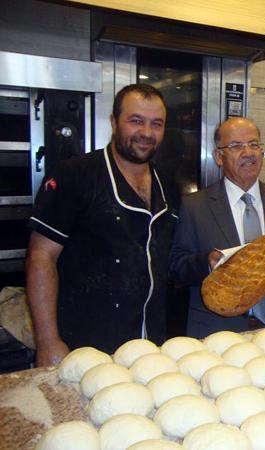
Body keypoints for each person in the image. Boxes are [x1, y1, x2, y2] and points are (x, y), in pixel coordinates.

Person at [26, 84, 179, 365]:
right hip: (85, 342)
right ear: (113, 122)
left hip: (151, 341)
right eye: (135, 121)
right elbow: (41, 257)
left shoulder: (168, 187)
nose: (146, 133)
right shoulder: (76, 175)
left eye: (156, 124)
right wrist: (47, 342)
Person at [170, 117, 265, 337]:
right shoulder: (194, 206)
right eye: (236, 146)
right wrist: (208, 263)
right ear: (219, 157)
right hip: (217, 330)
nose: (248, 152)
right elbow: (176, 266)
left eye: (254, 144)